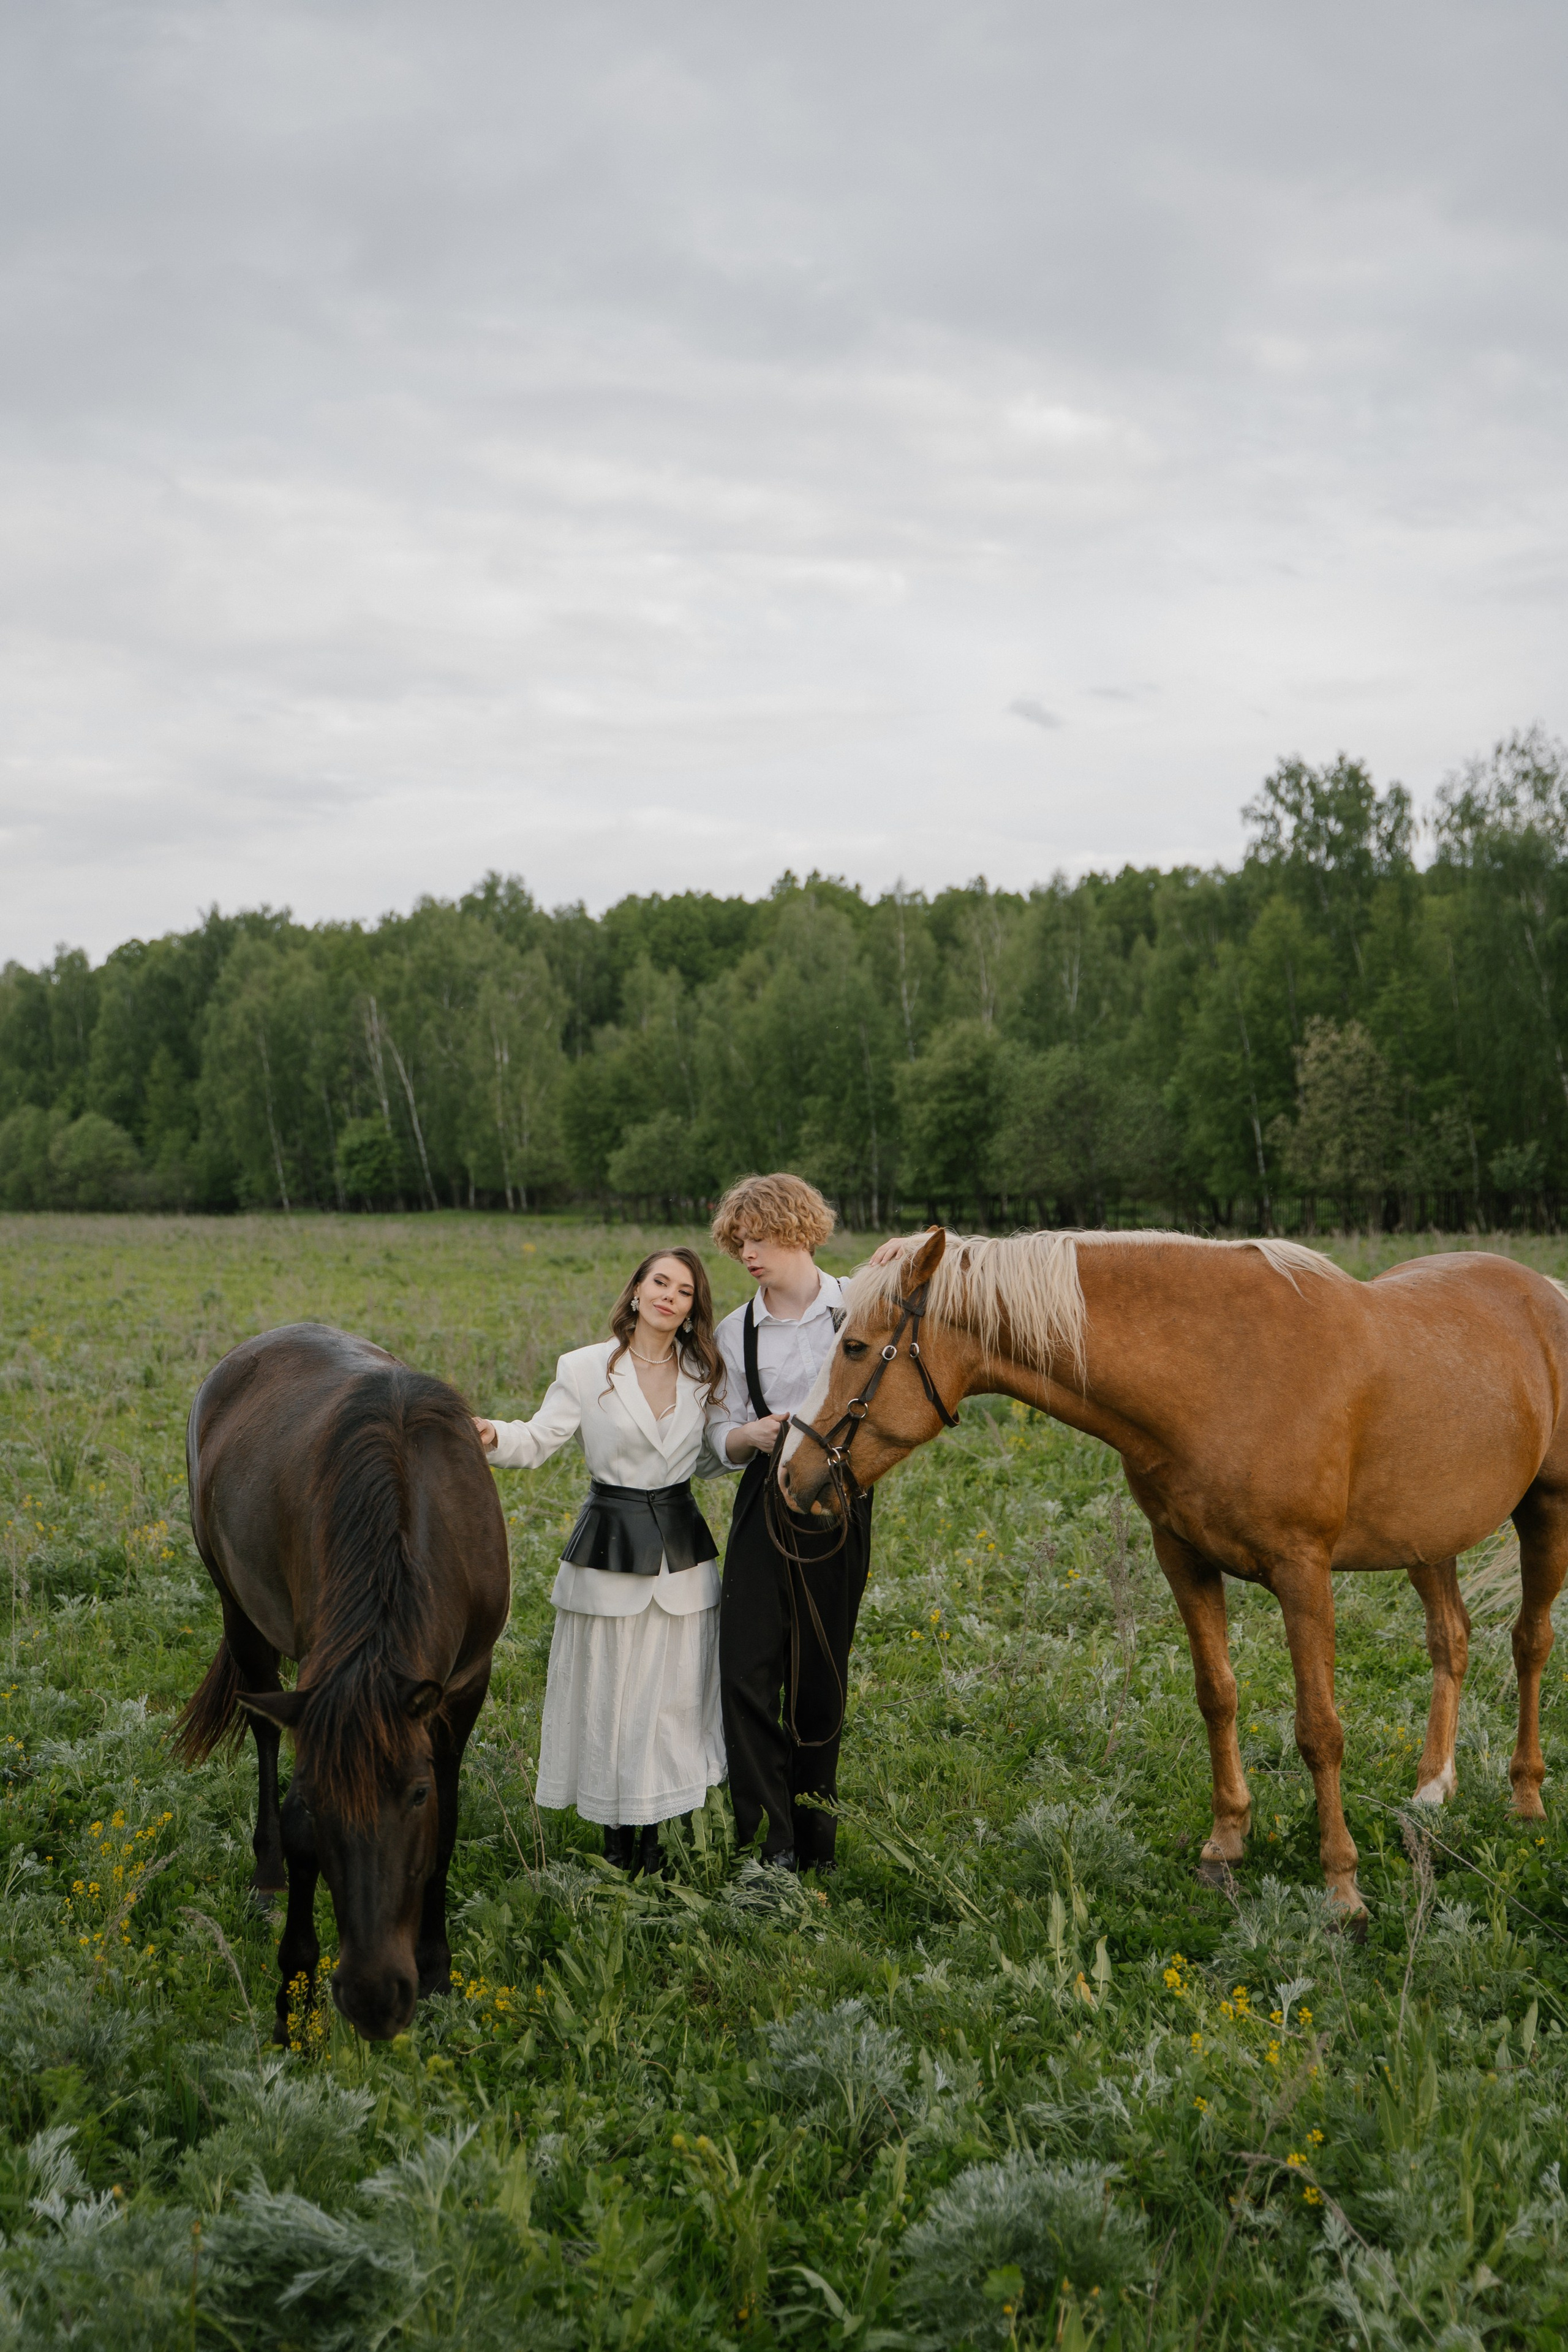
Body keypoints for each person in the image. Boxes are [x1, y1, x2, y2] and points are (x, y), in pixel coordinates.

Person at [473, 1249, 733, 1877]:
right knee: (611, 1703)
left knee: (672, 1704)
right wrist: (487, 1434)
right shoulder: (586, 1368)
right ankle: (618, 1842)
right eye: (660, 1282)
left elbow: (706, 1457)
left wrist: (748, 1442)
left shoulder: (704, 1373)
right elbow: (537, 1441)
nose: (671, 1296)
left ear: (693, 1309)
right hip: (607, 1558)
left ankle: (658, 1841)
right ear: (637, 1291)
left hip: (683, 1562)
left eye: (686, 1291)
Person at [710, 1173, 871, 1873]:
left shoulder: (861, 1311)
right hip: (761, 1497)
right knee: (744, 1671)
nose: (749, 1252)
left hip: (839, 1499)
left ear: (800, 1231)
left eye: (763, 1236)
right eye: (739, 1241)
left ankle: (816, 1844)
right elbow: (718, 1428)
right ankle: (767, 1846)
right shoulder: (733, 1329)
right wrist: (745, 1437)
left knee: (821, 1676)